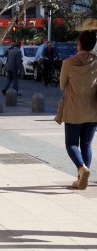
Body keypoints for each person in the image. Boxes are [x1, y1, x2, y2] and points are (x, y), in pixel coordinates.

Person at [54, 30, 97, 190]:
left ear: (79, 44)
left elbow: (62, 85)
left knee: (71, 144)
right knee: (86, 145)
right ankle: (80, 178)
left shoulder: (69, 63)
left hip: (73, 109)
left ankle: (81, 169)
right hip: (93, 109)